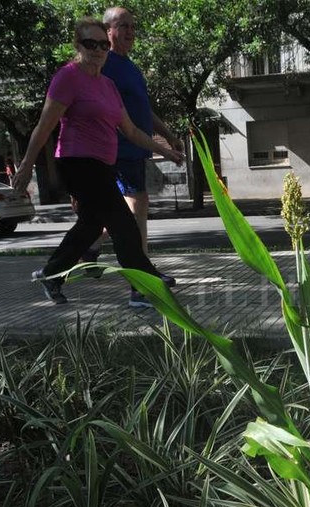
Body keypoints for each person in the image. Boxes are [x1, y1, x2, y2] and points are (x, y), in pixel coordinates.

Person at [12, 16, 184, 306]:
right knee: (123, 223)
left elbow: (130, 131)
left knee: (91, 226)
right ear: (78, 45)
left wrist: (165, 150)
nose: (98, 50)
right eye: (90, 43)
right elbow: (44, 126)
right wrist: (27, 164)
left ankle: (52, 274)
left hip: (104, 164)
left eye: (103, 44)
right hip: (78, 163)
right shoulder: (67, 77)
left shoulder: (108, 85)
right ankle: (143, 285)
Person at [80, 6, 185, 307]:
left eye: (133, 27)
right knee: (135, 209)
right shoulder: (105, 64)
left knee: (123, 213)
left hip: (134, 152)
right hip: (116, 151)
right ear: (108, 30)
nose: (130, 32)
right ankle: (140, 286)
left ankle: (88, 248)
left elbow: (143, 110)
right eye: (123, 25)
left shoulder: (130, 67)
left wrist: (167, 134)